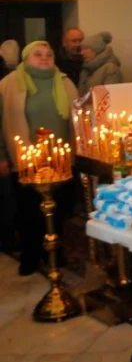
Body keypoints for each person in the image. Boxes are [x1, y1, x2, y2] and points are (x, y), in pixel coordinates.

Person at [0, 41, 79, 275]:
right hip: (26, 158)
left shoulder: (64, 82)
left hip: (60, 158)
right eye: (38, 54)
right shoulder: (9, 84)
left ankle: (53, 249)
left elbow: (77, 117)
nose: (44, 58)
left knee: (60, 208)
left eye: (49, 54)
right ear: (26, 58)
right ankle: (31, 253)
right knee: (28, 210)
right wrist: (2, 156)